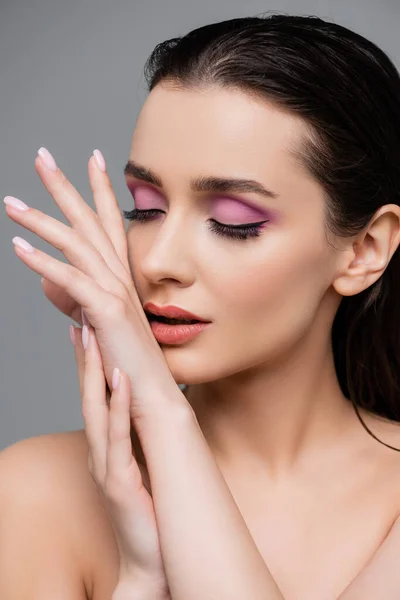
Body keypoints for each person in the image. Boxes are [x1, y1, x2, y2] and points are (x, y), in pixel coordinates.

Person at [2, 11, 400, 600]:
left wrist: (160, 410)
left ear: (364, 250)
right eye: (145, 207)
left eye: (233, 222)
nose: (159, 261)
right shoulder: (34, 493)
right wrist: (140, 580)